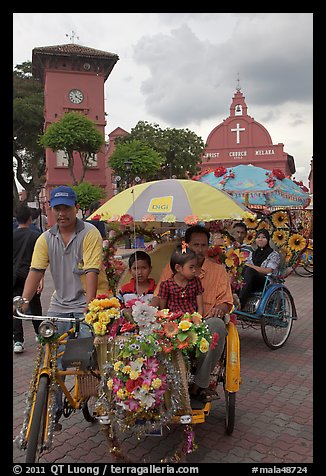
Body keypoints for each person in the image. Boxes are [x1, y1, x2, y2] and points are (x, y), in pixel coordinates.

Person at [20, 186, 108, 430]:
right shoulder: (45, 238)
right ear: (51, 210)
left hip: (88, 304)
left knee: (92, 360)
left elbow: (92, 270)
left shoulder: (90, 233)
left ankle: (101, 401)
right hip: (58, 305)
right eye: (57, 208)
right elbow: (36, 271)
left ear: (75, 208)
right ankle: (53, 411)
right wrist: (24, 301)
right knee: (52, 361)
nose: (62, 213)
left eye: (66, 207)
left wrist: (90, 308)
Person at [152, 225, 234, 403]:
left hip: (204, 322)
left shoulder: (218, 270)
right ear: (186, 245)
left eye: (204, 245)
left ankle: (199, 385)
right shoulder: (173, 267)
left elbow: (227, 302)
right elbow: (159, 296)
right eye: (195, 245)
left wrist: (220, 308)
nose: (200, 249)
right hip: (174, 322)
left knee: (217, 326)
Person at [13, 204, 43, 353]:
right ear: (30, 218)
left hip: (15, 276)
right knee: (35, 304)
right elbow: (40, 260)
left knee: (17, 306)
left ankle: (18, 341)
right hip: (30, 274)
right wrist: (40, 279)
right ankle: (39, 333)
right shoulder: (35, 235)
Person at [157, 244, 204, 315]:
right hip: (174, 320)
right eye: (191, 267)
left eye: (195, 267)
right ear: (178, 268)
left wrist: (199, 321)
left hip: (192, 319)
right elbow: (163, 309)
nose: (194, 270)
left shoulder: (196, 282)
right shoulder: (166, 285)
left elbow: (200, 306)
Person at [239, 228, 280, 307]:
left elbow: (268, 271)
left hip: (266, 282)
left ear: (268, 239)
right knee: (241, 271)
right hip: (252, 281)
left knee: (249, 270)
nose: (260, 239)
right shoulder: (253, 254)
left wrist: (251, 267)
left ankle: (241, 302)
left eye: (263, 237)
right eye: (258, 237)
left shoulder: (273, 254)